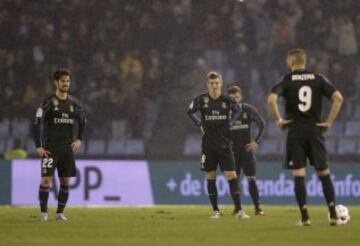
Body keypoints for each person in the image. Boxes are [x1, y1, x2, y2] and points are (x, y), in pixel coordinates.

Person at [267, 49, 344, 226]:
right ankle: (333, 215)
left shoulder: (286, 80)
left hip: (295, 131)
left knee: (299, 174)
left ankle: (305, 218)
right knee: (323, 173)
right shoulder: (318, 78)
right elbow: (338, 98)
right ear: (305, 61)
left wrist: (279, 120)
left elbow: (271, 100)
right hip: (315, 130)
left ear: (291, 61)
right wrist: (329, 122)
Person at [187, 71, 249, 219]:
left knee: (231, 175)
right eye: (211, 83)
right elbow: (189, 111)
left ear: (221, 84)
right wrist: (199, 123)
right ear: (207, 84)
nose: (214, 86)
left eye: (216, 83)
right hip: (208, 145)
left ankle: (239, 210)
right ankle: (215, 210)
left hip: (224, 144)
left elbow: (238, 110)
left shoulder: (227, 100)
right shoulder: (201, 99)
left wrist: (231, 122)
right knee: (210, 175)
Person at [32, 69, 86, 221]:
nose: (66, 84)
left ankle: (60, 213)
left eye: (68, 81)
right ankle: (43, 213)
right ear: (56, 82)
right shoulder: (48, 103)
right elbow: (36, 123)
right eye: (63, 81)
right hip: (50, 149)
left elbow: (83, 121)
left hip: (67, 150)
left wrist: (79, 139)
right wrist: (38, 146)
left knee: (65, 182)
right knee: (46, 180)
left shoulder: (74, 103)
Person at [228, 86, 265, 215]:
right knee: (234, 180)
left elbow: (261, 124)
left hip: (246, 150)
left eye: (237, 97)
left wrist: (256, 142)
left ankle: (257, 208)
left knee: (251, 179)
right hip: (232, 152)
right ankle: (237, 208)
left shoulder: (247, 110)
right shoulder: (225, 112)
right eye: (232, 98)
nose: (235, 100)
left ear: (241, 97)